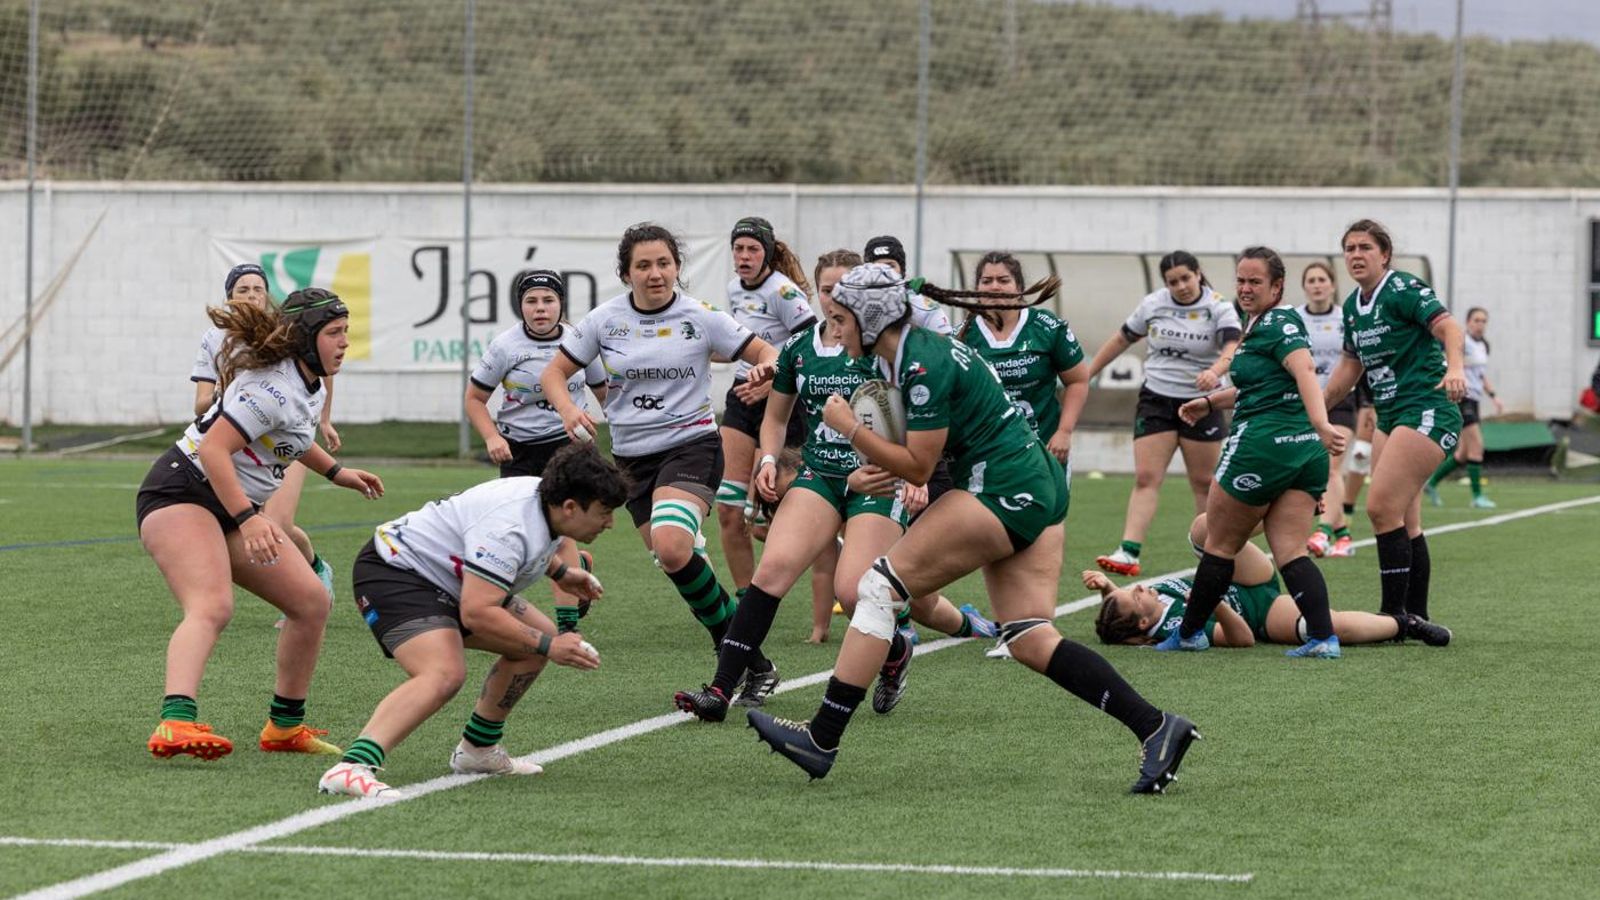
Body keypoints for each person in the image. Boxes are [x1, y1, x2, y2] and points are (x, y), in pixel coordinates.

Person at [746, 263, 1199, 794]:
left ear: (870, 321)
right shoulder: (903, 355)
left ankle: (821, 738)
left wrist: (851, 430)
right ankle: (1156, 726)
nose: (835, 329)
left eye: (842, 318)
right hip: (1032, 482)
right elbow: (910, 457)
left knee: (877, 587)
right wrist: (873, 464)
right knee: (1029, 636)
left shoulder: (917, 363)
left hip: (1002, 486)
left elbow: (918, 467)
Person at [672, 256, 993, 721]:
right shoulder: (801, 348)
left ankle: (894, 652)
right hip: (821, 473)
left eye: (843, 290)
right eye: (826, 290)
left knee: (854, 588)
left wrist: (910, 478)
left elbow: (913, 425)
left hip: (877, 480)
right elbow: (777, 418)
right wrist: (766, 459)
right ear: (816, 294)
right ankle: (721, 690)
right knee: (773, 572)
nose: (833, 298)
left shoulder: (885, 353)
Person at [138, 288, 384, 761]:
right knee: (211, 605)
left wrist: (338, 472)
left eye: (345, 332)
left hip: (228, 504)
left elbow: (291, 437)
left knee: (311, 601)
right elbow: (212, 450)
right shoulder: (270, 386)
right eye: (334, 333)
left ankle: (284, 727)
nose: (344, 343)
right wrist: (249, 520)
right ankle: (175, 722)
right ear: (305, 338)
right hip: (182, 491)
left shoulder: (306, 382)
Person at [540, 223, 780, 684]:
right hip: (632, 459)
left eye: (664, 263)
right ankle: (751, 662)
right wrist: (569, 408)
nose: (656, 274)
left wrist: (767, 367)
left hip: (692, 446)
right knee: (681, 566)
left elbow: (764, 350)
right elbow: (555, 372)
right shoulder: (603, 319)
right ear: (626, 273)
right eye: (644, 265)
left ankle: (733, 661)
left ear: (677, 268)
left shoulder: (700, 315)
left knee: (672, 547)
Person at [318, 445, 625, 798]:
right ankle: (352, 766)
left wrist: (561, 572)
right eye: (604, 512)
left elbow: (520, 548)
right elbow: (478, 612)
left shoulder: (541, 500)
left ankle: (478, 751)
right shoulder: (509, 525)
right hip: (397, 573)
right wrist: (552, 645)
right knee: (444, 672)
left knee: (532, 642)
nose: (610, 522)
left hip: (448, 577)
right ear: (571, 506)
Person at [1155, 247, 1345, 658]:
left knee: (1219, 542)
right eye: (1240, 279)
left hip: (1263, 447)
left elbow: (1305, 371)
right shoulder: (1261, 323)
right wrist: (1209, 403)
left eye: (1255, 281)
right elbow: (1263, 387)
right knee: (1291, 550)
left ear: (1277, 286)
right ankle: (1323, 638)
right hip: (1303, 453)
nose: (1244, 288)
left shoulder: (1278, 322)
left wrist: (1321, 422)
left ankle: (1189, 634)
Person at [1322, 219, 1466, 624]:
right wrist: (1310, 409)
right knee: (1405, 518)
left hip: (1427, 406)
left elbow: (1449, 327)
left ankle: (1392, 615)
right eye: (1349, 248)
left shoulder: (1402, 289)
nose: (1356, 255)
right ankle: (1414, 615)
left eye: (1365, 247)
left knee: (1381, 506)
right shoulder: (1352, 306)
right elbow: (1348, 371)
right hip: (1390, 414)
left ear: (1384, 255)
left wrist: (1456, 367)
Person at [957, 250, 1090, 658]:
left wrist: (1065, 431)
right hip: (989, 454)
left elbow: (1079, 379)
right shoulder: (963, 334)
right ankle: (1008, 625)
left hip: (1042, 450)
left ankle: (1037, 623)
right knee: (995, 534)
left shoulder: (1047, 327)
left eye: (1002, 280)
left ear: (1018, 286)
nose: (994, 287)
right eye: (987, 280)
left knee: (1044, 531)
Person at [466, 268, 609, 635]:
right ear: (520, 307)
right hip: (519, 452)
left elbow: (605, 394)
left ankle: (567, 629)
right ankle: (577, 569)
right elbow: (475, 399)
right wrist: (492, 438)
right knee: (521, 534)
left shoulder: (580, 341)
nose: (540, 309)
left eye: (548, 300)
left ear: (561, 304)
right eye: (531, 301)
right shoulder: (505, 346)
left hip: (569, 448)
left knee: (562, 530)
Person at [192, 264, 337, 616]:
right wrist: (235, 402)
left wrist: (325, 419)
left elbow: (322, 370)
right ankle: (300, 591)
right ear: (229, 299)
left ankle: (315, 574)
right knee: (255, 525)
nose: (252, 295)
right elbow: (200, 403)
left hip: (286, 442)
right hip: (242, 442)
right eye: (243, 289)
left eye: (258, 288)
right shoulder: (215, 339)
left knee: (280, 524)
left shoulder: (282, 332)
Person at [1086, 251, 1241, 577]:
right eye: (1173, 282)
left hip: (1201, 404)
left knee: (1203, 483)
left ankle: (1213, 552)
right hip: (1156, 398)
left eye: (1186, 278)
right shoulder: (1154, 304)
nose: (1181, 286)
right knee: (1146, 478)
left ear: (1198, 274)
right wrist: (1085, 374)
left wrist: (1215, 371)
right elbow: (1120, 339)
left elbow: (1232, 347)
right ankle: (1128, 552)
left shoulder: (1218, 306)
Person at [1091, 515, 1451, 648]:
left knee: (1203, 529)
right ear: (1143, 623)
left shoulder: (1139, 610)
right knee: (1324, 623)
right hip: (1260, 612)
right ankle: (1406, 625)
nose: (1138, 587)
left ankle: (1280, 512)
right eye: (1134, 596)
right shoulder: (1170, 626)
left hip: (1242, 573)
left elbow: (1122, 612)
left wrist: (1107, 588)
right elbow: (1242, 639)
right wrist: (1211, 598)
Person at [716, 217, 817, 601]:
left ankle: (835, 557)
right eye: (738, 249)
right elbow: (737, 344)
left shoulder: (785, 293)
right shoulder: (733, 289)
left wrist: (773, 380)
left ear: (768, 253)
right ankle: (746, 600)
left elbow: (809, 345)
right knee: (728, 507)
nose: (744, 256)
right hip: (742, 395)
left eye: (752, 249)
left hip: (782, 398)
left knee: (773, 511)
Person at [1297, 262, 1358, 558]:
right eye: (1312, 280)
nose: (1317, 284)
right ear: (1305, 286)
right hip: (1305, 402)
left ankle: (1323, 531)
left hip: (1341, 399)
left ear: (1332, 285)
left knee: (1332, 466)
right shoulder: (1294, 319)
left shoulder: (1345, 317)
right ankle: (1344, 534)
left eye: (1322, 279)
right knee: (1311, 468)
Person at [1426, 306, 1502, 509]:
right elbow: (1448, 363)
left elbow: (1480, 374)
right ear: (1468, 322)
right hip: (1462, 398)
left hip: (1475, 400)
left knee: (1463, 453)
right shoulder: (1462, 342)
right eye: (1476, 320)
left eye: (1483, 321)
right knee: (1476, 446)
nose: (1480, 324)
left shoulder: (1483, 345)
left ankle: (1431, 483)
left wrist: (1493, 396)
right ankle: (1477, 496)